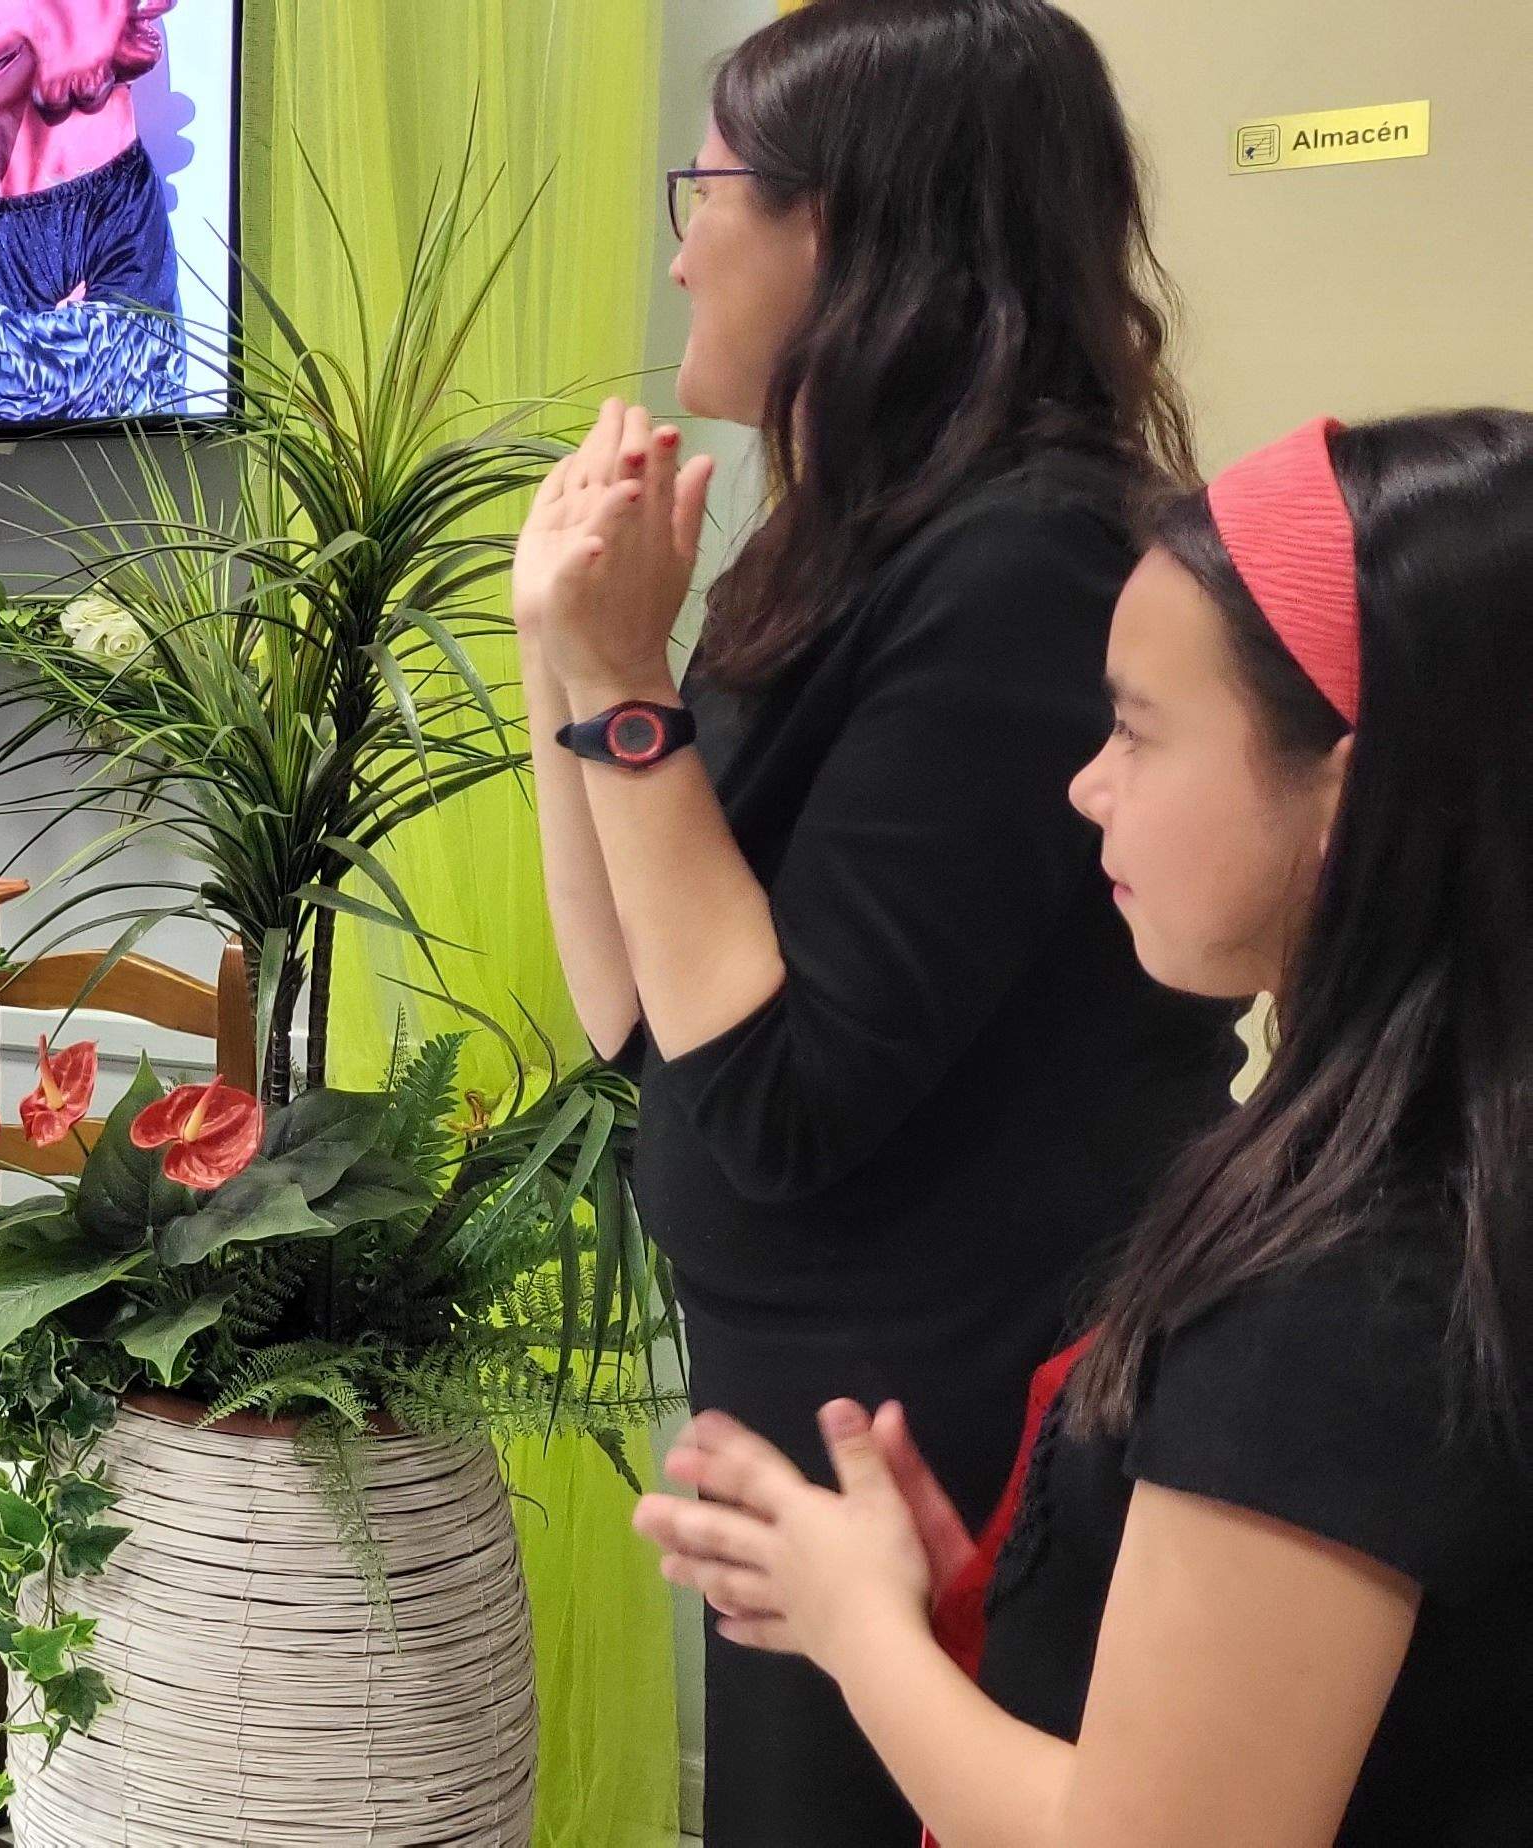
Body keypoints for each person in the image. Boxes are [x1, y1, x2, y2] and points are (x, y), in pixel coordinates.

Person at [506, 5, 1245, 1838]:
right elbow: (633, 1012)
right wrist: (561, 658)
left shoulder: (1026, 562)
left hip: (953, 1411)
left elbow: (779, 1094)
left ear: (849, 230)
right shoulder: (841, 537)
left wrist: (624, 692)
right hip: (811, 1374)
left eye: (711, 190)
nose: (681, 244)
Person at [634, 408, 1533, 1846]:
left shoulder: (1348, 1285)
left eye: (1135, 728)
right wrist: (992, 1601)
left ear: (1345, 808)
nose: (1085, 783)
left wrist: (859, 1628)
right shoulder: (1435, 1191)